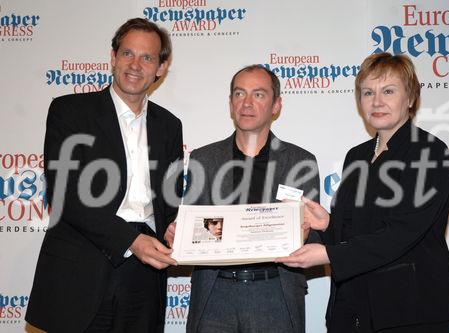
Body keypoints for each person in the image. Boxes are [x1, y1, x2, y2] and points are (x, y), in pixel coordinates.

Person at [277, 53, 449, 333]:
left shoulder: (429, 152)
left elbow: (401, 233)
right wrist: (327, 223)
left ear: (410, 98)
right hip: (354, 308)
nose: (377, 101)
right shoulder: (357, 156)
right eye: (368, 92)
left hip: (411, 310)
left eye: (388, 91)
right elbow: (354, 230)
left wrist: (328, 255)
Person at [26, 18, 183, 333]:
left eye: (147, 57)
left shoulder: (169, 126)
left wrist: (174, 228)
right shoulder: (69, 111)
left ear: (161, 68)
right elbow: (64, 193)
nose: (135, 65)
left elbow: (170, 199)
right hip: (81, 268)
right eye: (127, 54)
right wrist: (131, 240)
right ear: (113, 58)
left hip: (146, 276)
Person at [168, 64, 320, 333]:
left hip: (276, 295)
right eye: (239, 94)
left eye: (259, 95)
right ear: (230, 103)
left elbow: (318, 237)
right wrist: (178, 236)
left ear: (276, 105)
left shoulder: (301, 162)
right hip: (215, 295)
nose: (247, 103)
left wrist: (305, 233)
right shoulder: (203, 160)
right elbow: (194, 226)